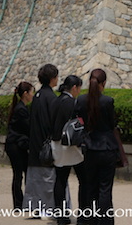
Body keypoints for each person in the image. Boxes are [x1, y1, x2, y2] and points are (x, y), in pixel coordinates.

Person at [77, 68, 118, 225]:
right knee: (105, 189)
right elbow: (111, 124)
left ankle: (91, 219)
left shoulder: (81, 100)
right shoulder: (107, 101)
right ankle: (106, 221)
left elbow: (78, 121)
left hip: (89, 147)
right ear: (104, 83)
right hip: (106, 148)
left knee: (91, 187)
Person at [23, 63, 59, 216]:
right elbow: (51, 123)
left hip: (35, 143)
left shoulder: (37, 96)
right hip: (46, 145)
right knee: (48, 179)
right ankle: (48, 209)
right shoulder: (51, 97)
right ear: (52, 78)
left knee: (34, 180)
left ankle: (35, 208)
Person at [51, 74, 87, 225]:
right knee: (84, 181)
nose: (79, 91)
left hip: (57, 144)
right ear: (74, 88)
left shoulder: (55, 101)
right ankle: (83, 215)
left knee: (60, 180)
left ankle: (61, 215)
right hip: (71, 146)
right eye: (79, 88)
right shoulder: (73, 103)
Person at [5, 81, 34, 209]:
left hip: (16, 145)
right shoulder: (21, 109)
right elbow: (28, 128)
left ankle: (22, 202)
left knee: (20, 173)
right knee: (19, 174)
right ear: (26, 94)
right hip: (15, 146)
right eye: (32, 92)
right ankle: (20, 203)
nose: (33, 95)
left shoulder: (21, 107)